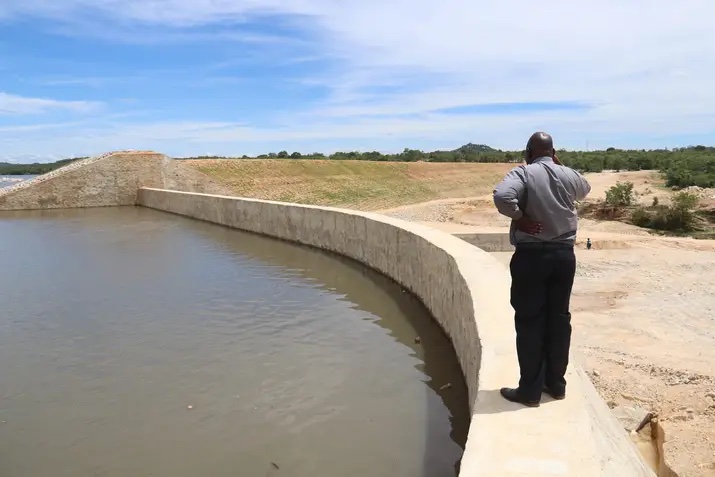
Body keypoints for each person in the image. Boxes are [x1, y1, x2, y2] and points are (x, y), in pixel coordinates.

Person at [492, 132, 591, 407]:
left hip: (532, 258)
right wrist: (557, 165)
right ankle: (556, 385)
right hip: (563, 257)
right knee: (559, 320)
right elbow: (584, 188)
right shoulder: (568, 174)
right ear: (553, 151)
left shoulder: (523, 174)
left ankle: (530, 391)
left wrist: (520, 218)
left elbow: (502, 196)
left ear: (528, 151)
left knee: (530, 322)